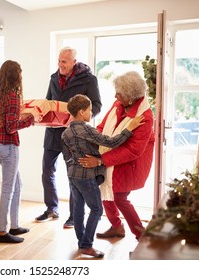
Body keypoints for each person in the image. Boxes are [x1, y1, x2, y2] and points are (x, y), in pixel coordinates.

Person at [61, 94, 144, 258]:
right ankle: (86, 246)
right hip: (86, 176)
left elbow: (66, 157)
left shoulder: (66, 132)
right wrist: (130, 128)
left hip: (73, 175)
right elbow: (111, 142)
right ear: (81, 111)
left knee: (78, 209)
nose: (91, 113)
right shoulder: (87, 130)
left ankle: (81, 242)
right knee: (97, 209)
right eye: (90, 110)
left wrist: (75, 164)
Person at [79, 71, 155, 241]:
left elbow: (133, 150)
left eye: (119, 93)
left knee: (119, 196)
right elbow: (102, 126)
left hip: (131, 163)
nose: (115, 95)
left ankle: (140, 234)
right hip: (111, 155)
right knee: (104, 188)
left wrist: (101, 160)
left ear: (130, 97)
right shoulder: (118, 105)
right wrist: (92, 140)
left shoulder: (145, 117)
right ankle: (116, 227)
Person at [35, 46, 102, 228]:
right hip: (52, 133)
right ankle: (51, 209)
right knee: (47, 171)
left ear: (74, 62)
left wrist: (79, 117)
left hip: (74, 135)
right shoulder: (53, 78)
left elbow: (96, 105)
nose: (60, 65)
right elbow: (48, 102)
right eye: (59, 61)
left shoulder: (89, 79)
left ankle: (74, 215)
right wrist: (41, 113)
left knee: (73, 175)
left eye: (64, 62)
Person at [0, 60, 41, 243]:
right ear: (17, 76)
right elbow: (11, 127)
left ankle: (14, 226)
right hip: (9, 147)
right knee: (8, 189)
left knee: (17, 185)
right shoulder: (13, 97)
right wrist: (31, 118)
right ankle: (2, 232)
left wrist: (6, 118)